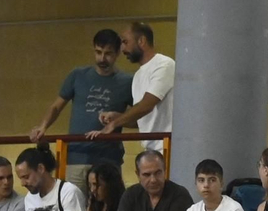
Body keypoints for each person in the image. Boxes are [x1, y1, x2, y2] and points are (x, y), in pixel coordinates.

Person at [28, 28, 134, 188]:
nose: (102, 58)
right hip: (76, 157)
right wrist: (43, 127)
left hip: (108, 159)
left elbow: (140, 121)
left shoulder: (127, 82)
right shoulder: (78, 75)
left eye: (108, 53)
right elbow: (57, 106)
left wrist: (117, 118)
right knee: (73, 207)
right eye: (98, 52)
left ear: (118, 52)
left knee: (108, 208)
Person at [93, 21, 173, 152]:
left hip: (167, 148)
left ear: (141, 41)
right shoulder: (137, 76)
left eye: (125, 42)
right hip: (151, 150)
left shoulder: (164, 65)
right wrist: (117, 117)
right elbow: (140, 120)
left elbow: (146, 105)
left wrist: (114, 124)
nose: (123, 49)